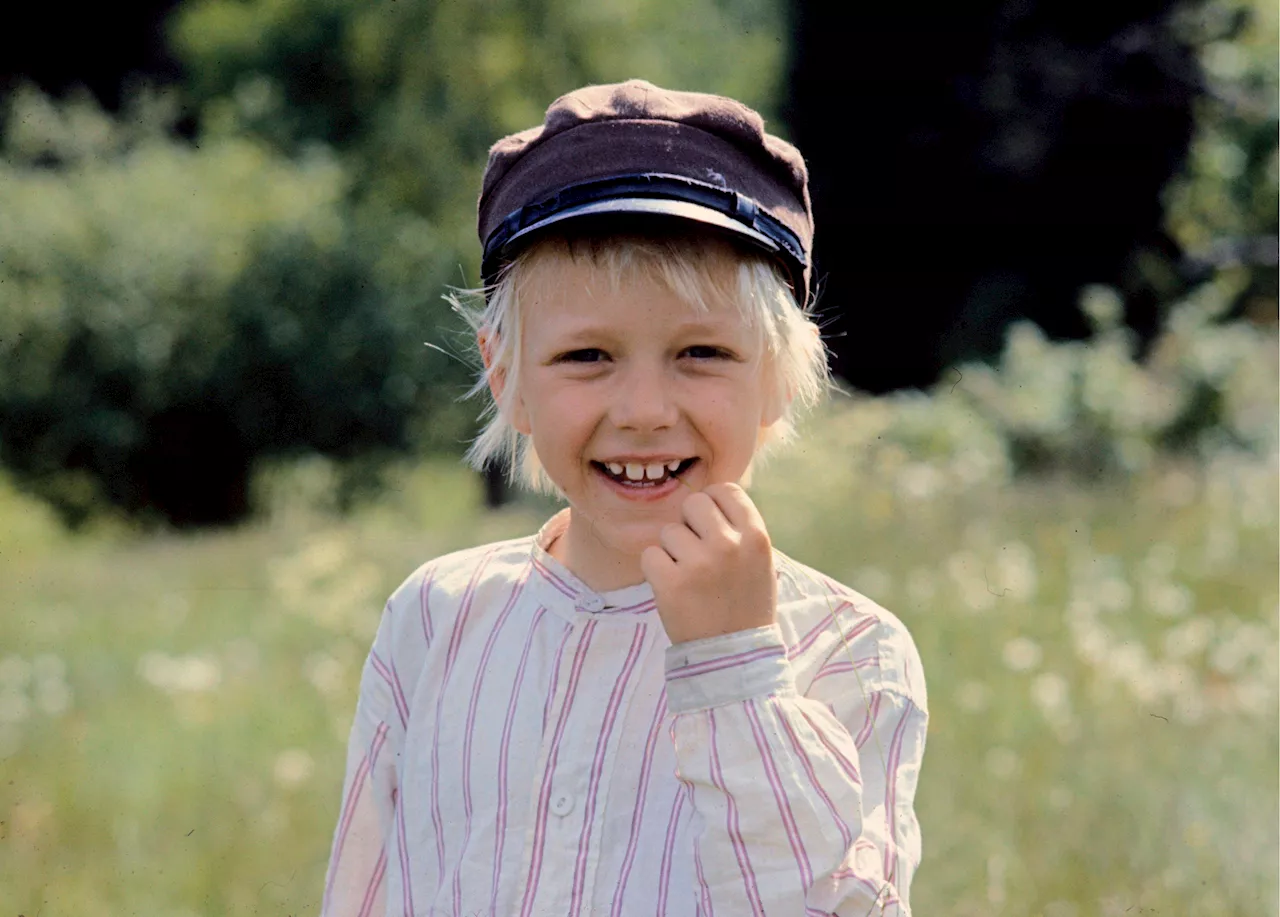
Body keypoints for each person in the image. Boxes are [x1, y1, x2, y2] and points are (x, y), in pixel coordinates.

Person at [320, 79, 929, 917]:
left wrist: (734, 671)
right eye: (587, 357)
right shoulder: (433, 618)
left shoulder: (850, 651)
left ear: (781, 378)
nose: (644, 411)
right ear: (507, 378)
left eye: (702, 352)